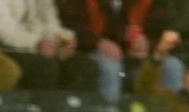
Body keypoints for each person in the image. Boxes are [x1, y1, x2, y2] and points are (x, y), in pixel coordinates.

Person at [57, 0, 185, 102]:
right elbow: (67, 26)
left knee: (173, 66)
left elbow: (167, 29)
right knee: (110, 68)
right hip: (92, 52)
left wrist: (148, 43)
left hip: (141, 56)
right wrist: (97, 42)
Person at [0, 0, 98, 91]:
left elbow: (49, 22)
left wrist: (63, 39)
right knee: (45, 68)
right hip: (5, 47)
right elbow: (1, 29)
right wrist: (36, 42)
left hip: (38, 44)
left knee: (83, 65)